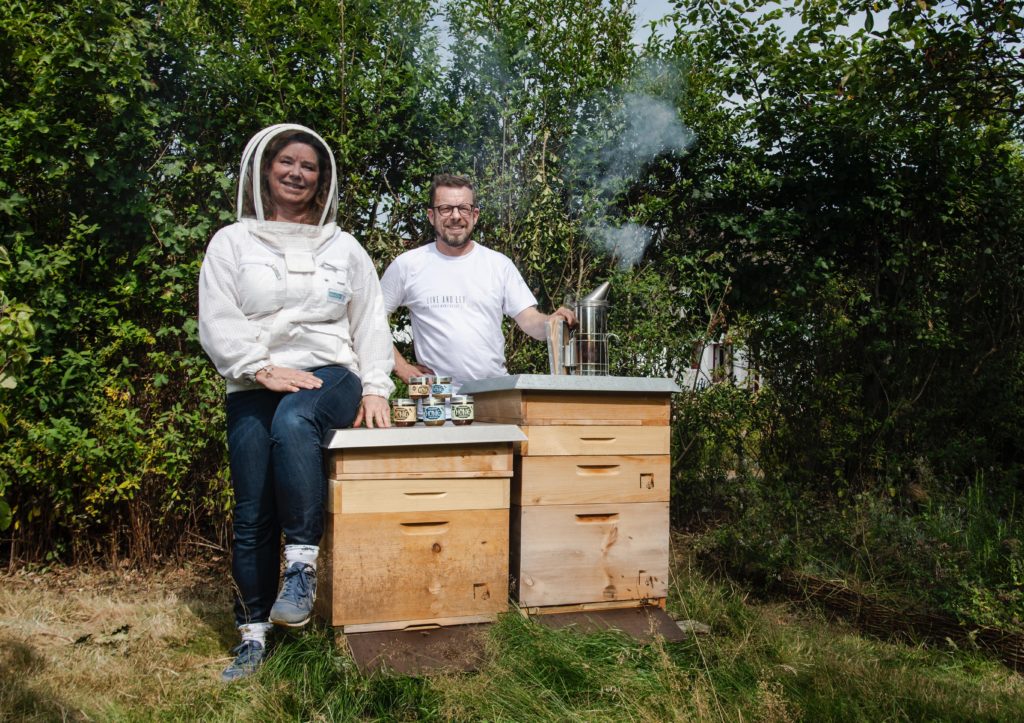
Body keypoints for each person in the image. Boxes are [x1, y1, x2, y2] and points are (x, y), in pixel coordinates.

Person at [198, 124, 394, 682]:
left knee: (296, 416)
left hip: (330, 374)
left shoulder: (344, 247)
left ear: (322, 179)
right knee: (252, 511)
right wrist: (259, 367)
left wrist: (377, 385)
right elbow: (217, 320)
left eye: (309, 167)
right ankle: (252, 635)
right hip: (253, 379)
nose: (297, 173)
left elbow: (370, 320)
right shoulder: (232, 243)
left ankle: (302, 565)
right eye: (287, 162)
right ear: (264, 169)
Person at [380, 173, 575, 388]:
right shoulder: (407, 265)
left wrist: (552, 322)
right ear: (431, 216)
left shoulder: (499, 265)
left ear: (475, 215)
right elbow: (371, 321)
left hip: (494, 398)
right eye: (445, 209)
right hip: (435, 406)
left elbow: (529, 321)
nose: (455, 216)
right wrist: (401, 367)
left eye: (463, 208)